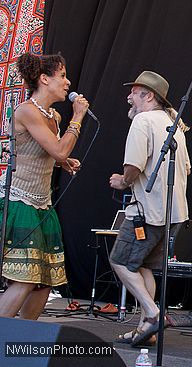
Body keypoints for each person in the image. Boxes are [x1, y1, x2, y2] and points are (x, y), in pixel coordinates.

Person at [0, 52, 89, 319]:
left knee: (45, 280)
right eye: (62, 76)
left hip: (42, 203)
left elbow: (52, 154)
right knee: (26, 278)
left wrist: (64, 163)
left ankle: (20, 345)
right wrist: (79, 117)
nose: (68, 82)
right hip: (20, 201)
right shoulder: (27, 111)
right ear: (44, 79)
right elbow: (59, 150)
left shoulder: (54, 117)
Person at [109, 71, 191, 347]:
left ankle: (154, 314)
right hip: (174, 212)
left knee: (119, 260)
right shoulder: (174, 124)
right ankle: (147, 329)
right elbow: (188, 168)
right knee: (143, 266)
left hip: (147, 211)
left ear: (149, 95)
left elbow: (133, 165)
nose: (128, 97)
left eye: (134, 92)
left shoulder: (143, 120)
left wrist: (122, 181)